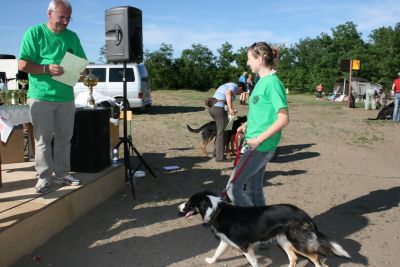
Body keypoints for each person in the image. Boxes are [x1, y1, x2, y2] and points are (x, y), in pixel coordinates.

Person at [18, 0, 87, 193]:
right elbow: (22, 64)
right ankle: (44, 178)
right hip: (40, 97)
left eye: (68, 18)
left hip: (66, 98)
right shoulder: (34, 33)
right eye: (61, 17)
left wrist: (80, 72)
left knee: (65, 138)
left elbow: (81, 64)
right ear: (49, 13)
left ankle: (63, 174)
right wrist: (46, 69)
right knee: (43, 140)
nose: (65, 22)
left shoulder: (72, 37)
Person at [226, 42, 289, 207]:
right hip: (257, 144)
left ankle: (252, 225)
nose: (247, 63)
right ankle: (264, 227)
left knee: (233, 188)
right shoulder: (261, 81)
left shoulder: (273, 83)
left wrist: (258, 139)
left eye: (249, 59)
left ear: (260, 59)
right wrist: (247, 123)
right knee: (253, 189)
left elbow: (283, 119)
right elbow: (263, 112)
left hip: (259, 146)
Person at [208, 82, 244, 162]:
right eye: (241, 92)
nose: (240, 93)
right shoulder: (234, 86)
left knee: (223, 131)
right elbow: (228, 94)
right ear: (240, 87)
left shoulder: (228, 85)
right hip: (218, 108)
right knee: (223, 132)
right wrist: (231, 108)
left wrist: (231, 109)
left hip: (213, 107)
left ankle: (216, 153)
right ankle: (219, 157)